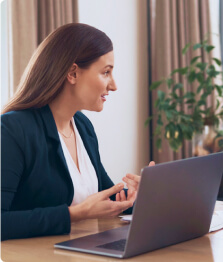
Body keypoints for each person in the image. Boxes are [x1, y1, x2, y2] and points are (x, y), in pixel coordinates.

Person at [1, 23, 151, 241]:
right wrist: (75, 214)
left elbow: (106, 197)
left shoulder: (82, 126)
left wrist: (138, 196)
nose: (114, 85)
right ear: (72, 73)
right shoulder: (12, 130)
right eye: (106, 72)